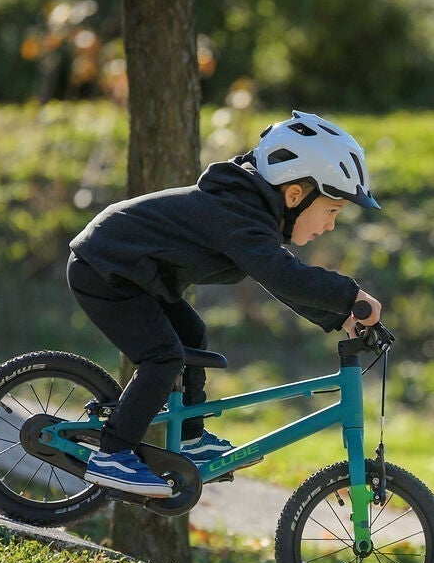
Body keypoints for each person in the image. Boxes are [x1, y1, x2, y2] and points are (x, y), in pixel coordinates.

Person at [65, 110, 383, 498]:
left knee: (191, 334)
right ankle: (113, 454)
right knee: (163, 356)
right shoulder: (238, 214)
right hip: (106, 268)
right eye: (331, 211)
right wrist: (350, 296)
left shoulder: (249, 211)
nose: (330, 225)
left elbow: (280, 281)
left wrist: (342, 315)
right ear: (295, 195)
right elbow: (284, 275)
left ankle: (191, 439)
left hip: (137, 274)